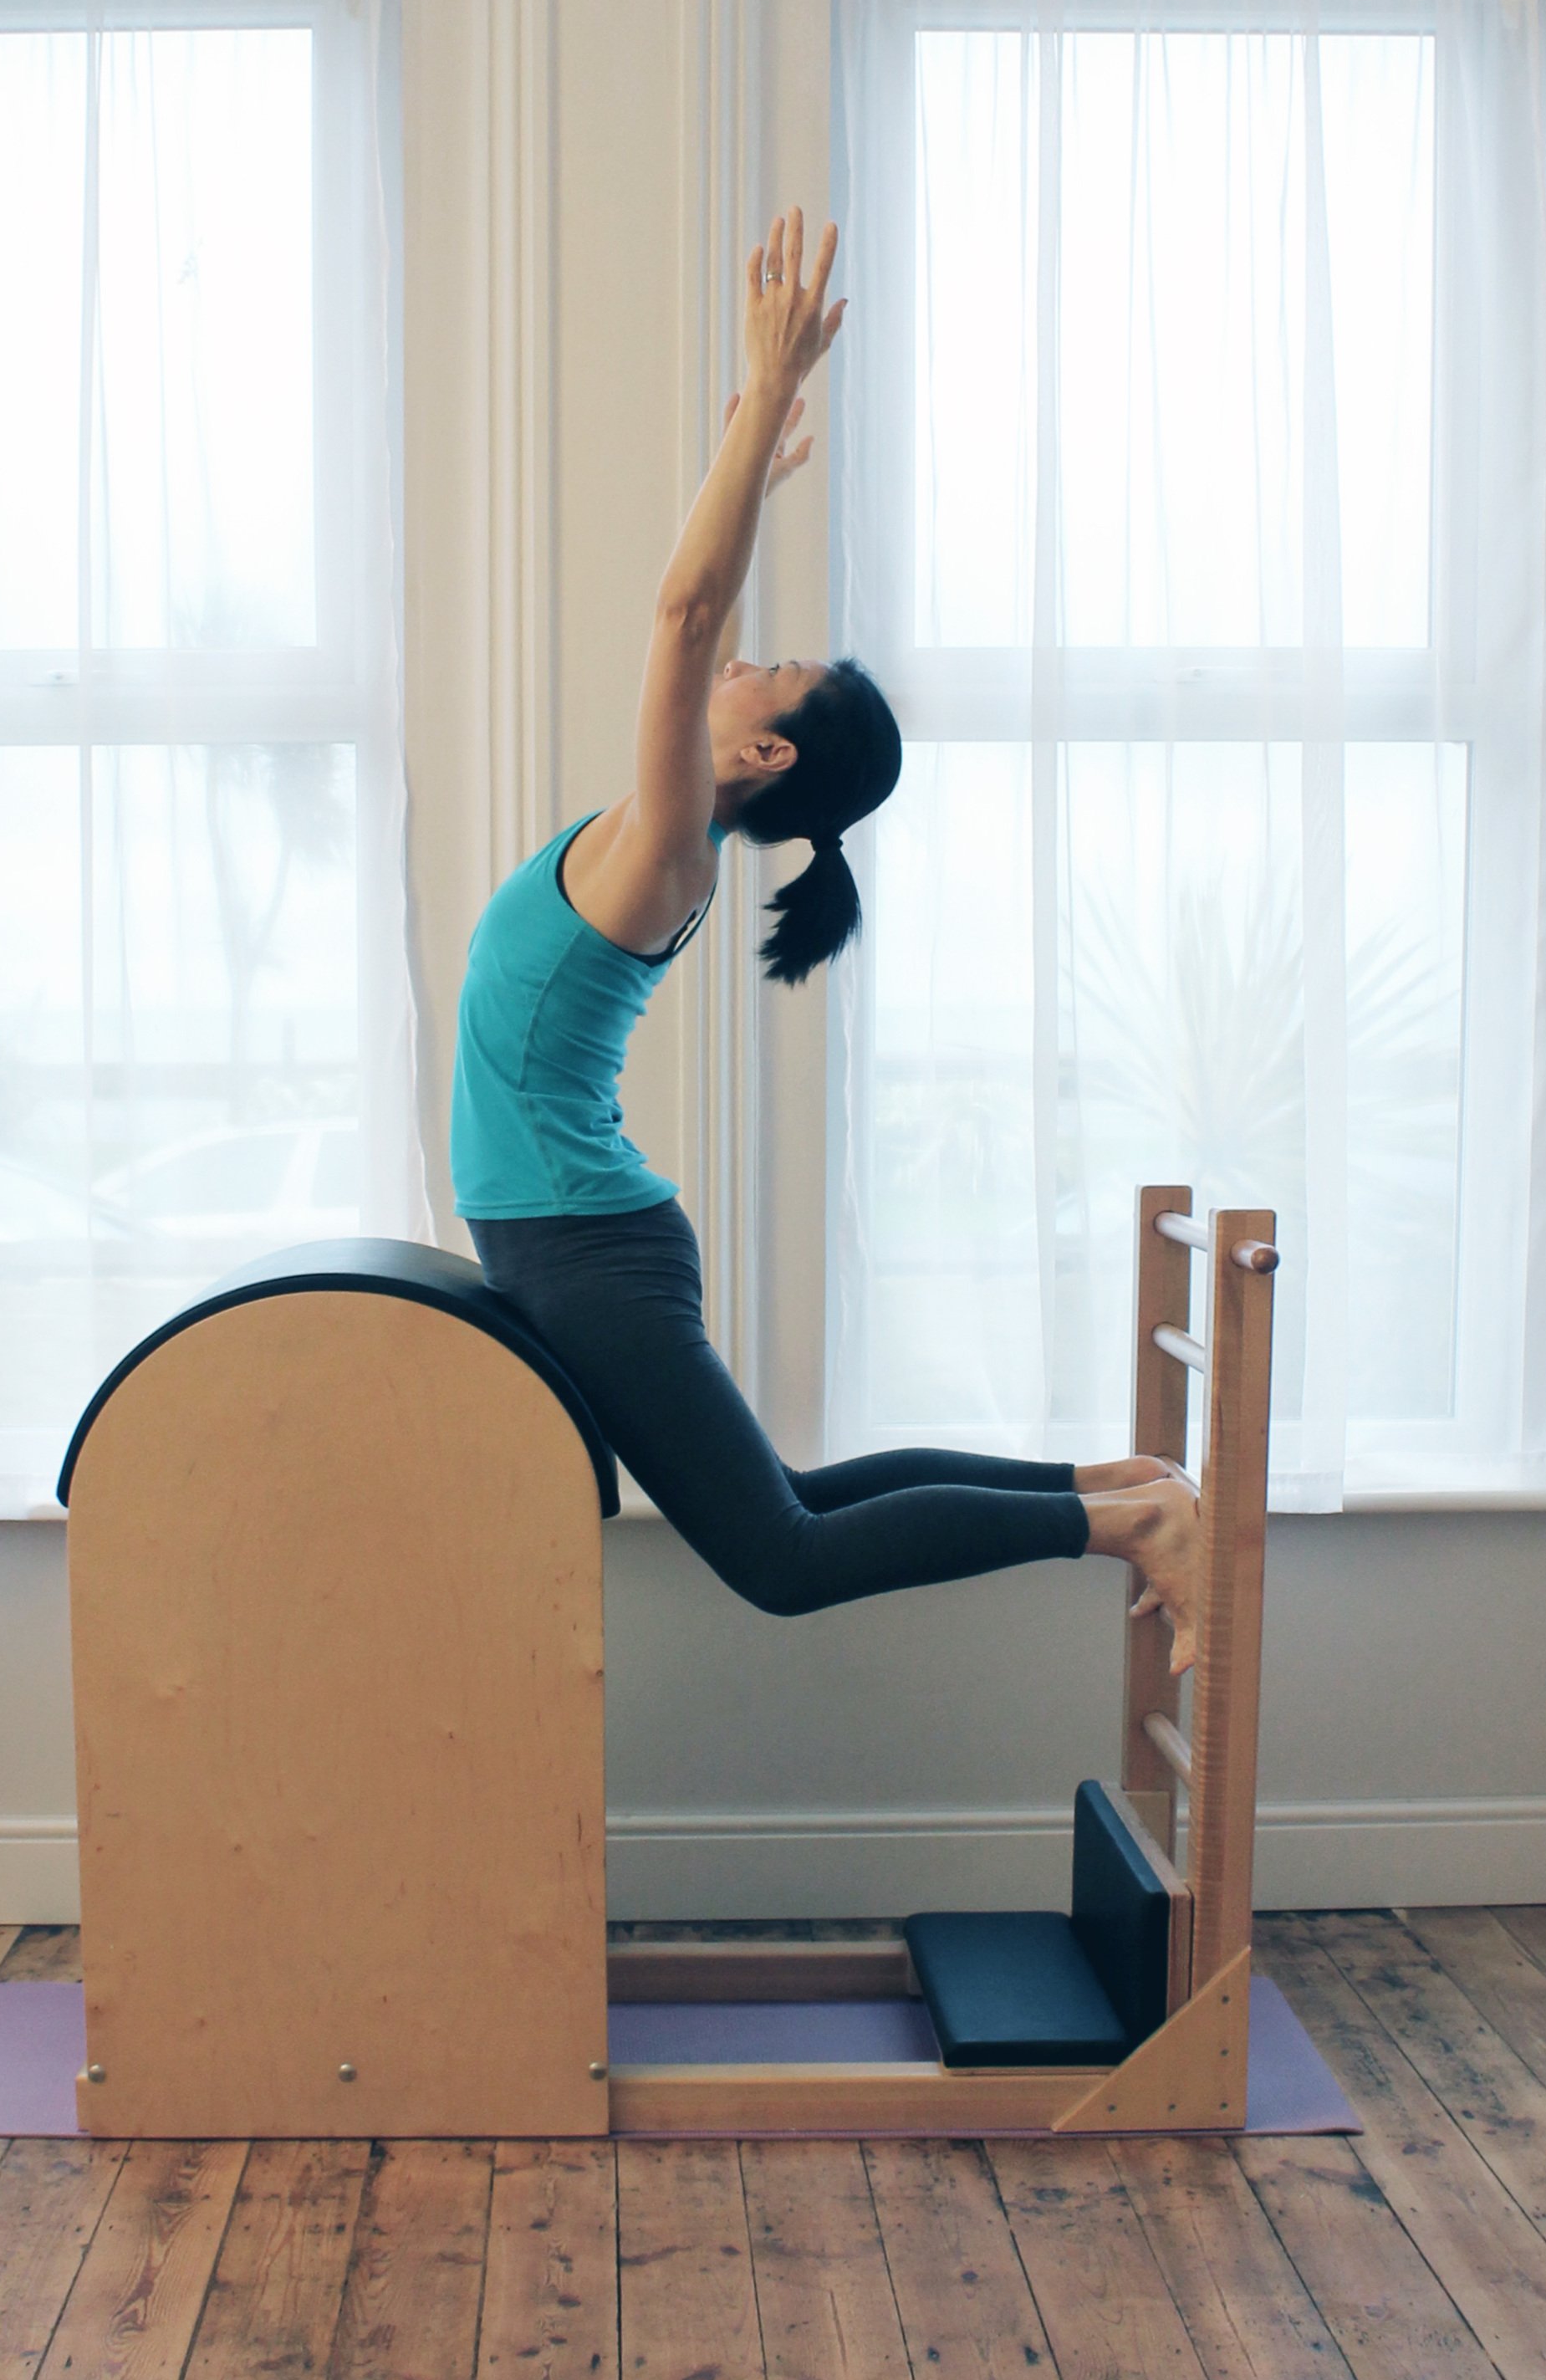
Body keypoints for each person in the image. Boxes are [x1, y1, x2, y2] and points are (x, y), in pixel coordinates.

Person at [452, 207, 1200, 1667]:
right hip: (579, 1239)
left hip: (583, 1248)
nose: (741, 657)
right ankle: (1109, 1488)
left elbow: (681, 616)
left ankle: (1127, 1524)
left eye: (771, 672)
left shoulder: (669, 850)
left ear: (773, 759)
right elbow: (690, 611)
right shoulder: (651, 830)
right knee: (787, 1507)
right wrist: (747, 454)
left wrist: (769, 401)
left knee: (781, 1559)